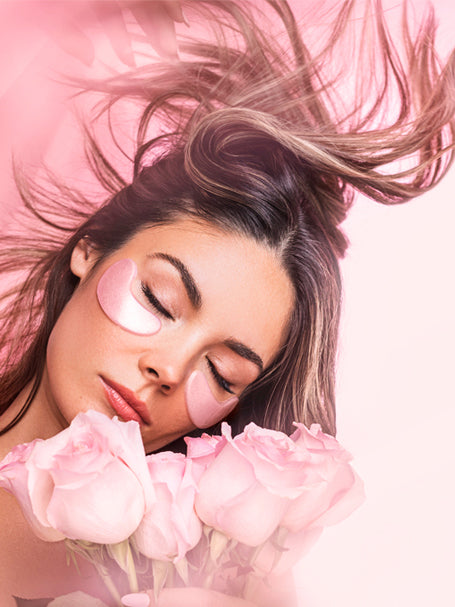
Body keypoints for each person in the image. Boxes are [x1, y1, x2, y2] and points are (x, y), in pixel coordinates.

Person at [0, 1, 453, 605]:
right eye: (160, 300)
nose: (170, 369)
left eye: (222, 372)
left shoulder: (211, 580)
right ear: (90, 249)